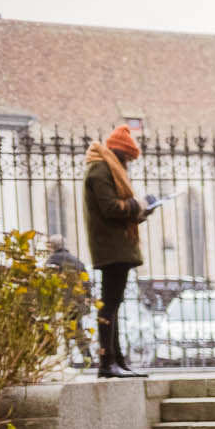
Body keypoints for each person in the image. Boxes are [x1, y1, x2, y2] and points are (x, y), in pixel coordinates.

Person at [81, 125, 150, 379]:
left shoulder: (105, 167)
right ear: (120, 152)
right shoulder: (101, 169)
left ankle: (117, 360)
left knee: (113, 303)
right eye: (128, 158)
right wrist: (138, 205)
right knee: (109, 304)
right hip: (111, 246)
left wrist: (142, 210)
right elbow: (110, 207)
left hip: (116, 244)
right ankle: (107, 362)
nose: (129, 163)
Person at [44, 235, 93, 365]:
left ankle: (66, 359)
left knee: (61, 330)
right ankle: (87, 357)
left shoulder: (52, 260)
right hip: (76, 300)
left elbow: (47, 282)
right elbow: (86, 281)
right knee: (76, 328)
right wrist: (87, 298)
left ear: (52, 246)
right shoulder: (76, 260)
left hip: (60, 301)